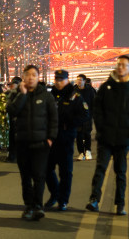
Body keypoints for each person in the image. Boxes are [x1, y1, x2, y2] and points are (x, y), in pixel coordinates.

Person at [86, 55, 129, 216]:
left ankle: (120, 204)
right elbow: (97, 109)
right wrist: (100, 128)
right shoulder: (106, 87)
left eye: (124, 65)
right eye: (119, 64)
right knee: (101, 168)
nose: (121, 67)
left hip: (123, 137)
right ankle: (94, 199)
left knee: (120, 171)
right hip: (105, 136)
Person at [7, 65, 58, 221]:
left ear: (38, 77)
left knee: (39, 176)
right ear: (23, 77)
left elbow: (54, 118)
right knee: (25, 177)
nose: (30, 77)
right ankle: (28, 206)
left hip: (41, 144)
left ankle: (38, 206)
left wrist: (50, 139)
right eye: (28, 74)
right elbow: (11, 111)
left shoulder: (46, 96)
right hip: (22, 143)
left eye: (34, 75)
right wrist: (22, 95)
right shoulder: (16, 93)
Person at [45, 69, 87, 211]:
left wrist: (69, 122)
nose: (58, 82)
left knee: (65, 172)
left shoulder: (75, 96)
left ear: (67, 80)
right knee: (46, 168)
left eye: (61, 79)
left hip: (66, 136)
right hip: (50, 138)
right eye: (57, 79)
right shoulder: (50, 95)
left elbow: (84, 115)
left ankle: (63, 200)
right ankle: (55, 193)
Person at [75, 74, 96, 160]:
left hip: (87, 116)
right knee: (78, 135)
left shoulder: (90, 90)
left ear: (84, 81)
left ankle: (88, 151)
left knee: (87, 133)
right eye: (77, 80)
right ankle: (81, 153)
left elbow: (94, 103)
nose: (78, 81)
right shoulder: (74, 90)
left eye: (80, 80)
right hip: (77, 116)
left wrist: (93, 114)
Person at [5, 76, 23, 163]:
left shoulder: (23, 94)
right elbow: (8, 108)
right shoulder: (9, 94)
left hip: (20, 122)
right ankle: (12, 155)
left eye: (14, 84)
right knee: (12, 138)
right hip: (12, 120)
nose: (12, 86)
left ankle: (17, 155)